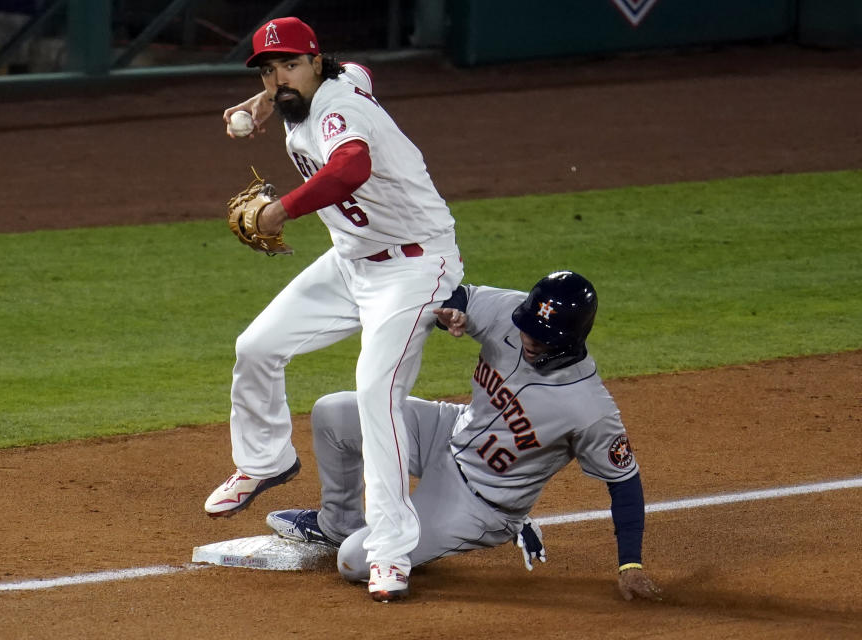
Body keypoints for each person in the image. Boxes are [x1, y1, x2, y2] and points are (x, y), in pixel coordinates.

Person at [202, 17, 464, 603]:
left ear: (318, 62)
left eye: (291, 65)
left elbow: (351, 168)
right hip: (352, 261)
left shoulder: (339, 109)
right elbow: (360, 72)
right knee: (258, 346)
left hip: (414, 268)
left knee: (376, 393)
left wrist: (282, 211)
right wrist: (270, 99)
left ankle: (391, 551)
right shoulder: (336, 83)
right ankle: (265, 460)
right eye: (270, 69)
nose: (280, 77)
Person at [265, 271, 662, 602]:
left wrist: (631, 564)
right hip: (447, 429)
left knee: (354, 562)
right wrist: (449, 313)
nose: (527, 337)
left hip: (478, 502)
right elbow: (461, 296)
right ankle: (338, 523)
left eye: (540, 337)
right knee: (333, 413)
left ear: (569, 341)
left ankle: (509, 521)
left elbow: (624, 481)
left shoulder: (589, 409)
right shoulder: (513, 312)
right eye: (527, 327)